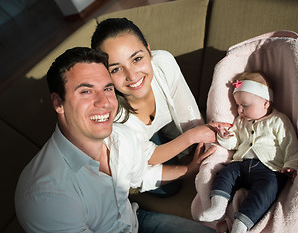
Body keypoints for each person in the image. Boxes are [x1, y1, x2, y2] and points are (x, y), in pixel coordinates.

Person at [15, 47, 224, 233]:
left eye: (107, 89)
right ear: (58, 103)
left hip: (137, 224)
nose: (104, 102)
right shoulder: (46, 196)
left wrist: (188, 169)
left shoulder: (120, 136)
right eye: (86, 91)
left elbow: (141, 175)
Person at [90, 18, 230, 196]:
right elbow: (146, 156)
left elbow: (187, 111)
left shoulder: (163, 63)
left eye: (137, 59)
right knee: (168, 188)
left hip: (159, 131)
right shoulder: (111, 113)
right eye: (116, 69)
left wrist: (204, 145)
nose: (132, 75)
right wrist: (190, 145)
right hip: (134, 147)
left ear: (149, 51)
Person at [198, 72, 298, 233]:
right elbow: (234, 143)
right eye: (238, 105)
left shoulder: (279, 121)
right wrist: (224, 136)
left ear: (265, 103)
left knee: (267, 190)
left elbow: (290, 145)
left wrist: (290, 164)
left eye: (244, 106)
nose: (239, 110)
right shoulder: (240, 121)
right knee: (224, 173)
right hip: (241, 164)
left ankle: (241, 224)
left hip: (269, 169)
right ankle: (218, 206)